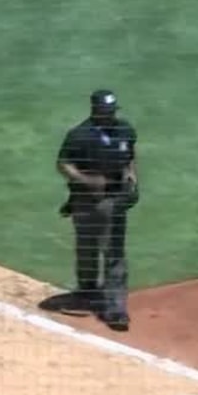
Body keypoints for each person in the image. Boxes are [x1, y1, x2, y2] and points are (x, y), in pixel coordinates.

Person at [55, 89, 139, 331]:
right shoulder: (80, 135)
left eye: (113, 111)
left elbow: (130, 155)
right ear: (96, 111)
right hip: (84, 200)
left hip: (113, 201)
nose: (111, 116)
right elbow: (63, 164)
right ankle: (87, 290)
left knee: (114, 253)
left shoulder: (125, 130)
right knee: (86, 248)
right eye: (106, 112)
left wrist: (132, 176)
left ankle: (115, 309)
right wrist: (85, 180)